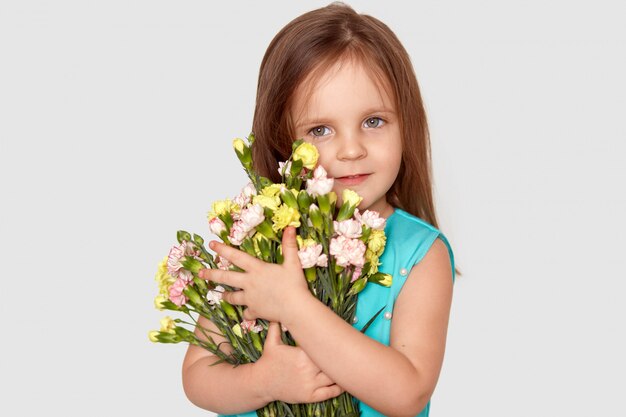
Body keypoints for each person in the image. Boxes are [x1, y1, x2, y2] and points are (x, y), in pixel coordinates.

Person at [182, 3, 457, 416]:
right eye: (320, 130)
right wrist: (262, 381)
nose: (351, 149)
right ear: (282, 141)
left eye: (374, 121)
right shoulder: (261, 240)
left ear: (407, 123)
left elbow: (408, 392)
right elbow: (199, 375)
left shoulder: (420, 254)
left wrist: (294, 307)